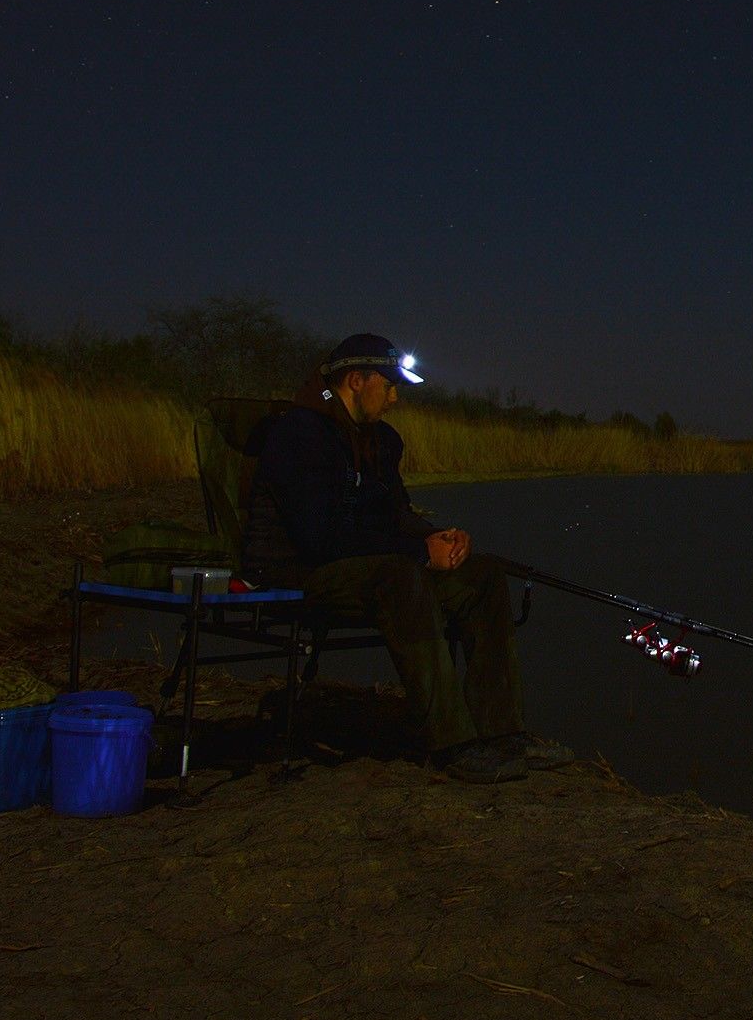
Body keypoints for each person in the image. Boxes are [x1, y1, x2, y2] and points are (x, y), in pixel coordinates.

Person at [240, 332, 571, 783]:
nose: (395, 398)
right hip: (301, 571)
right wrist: (419, 554)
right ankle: (452, 744)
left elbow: (394, 514)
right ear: (356, 380)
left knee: (484, 574)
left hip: (366, 565)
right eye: (389, 386)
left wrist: (440, 538)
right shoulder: (299, 434)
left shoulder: (379, 441)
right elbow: (321, 537)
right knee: (403, 577)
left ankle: (502, 732)